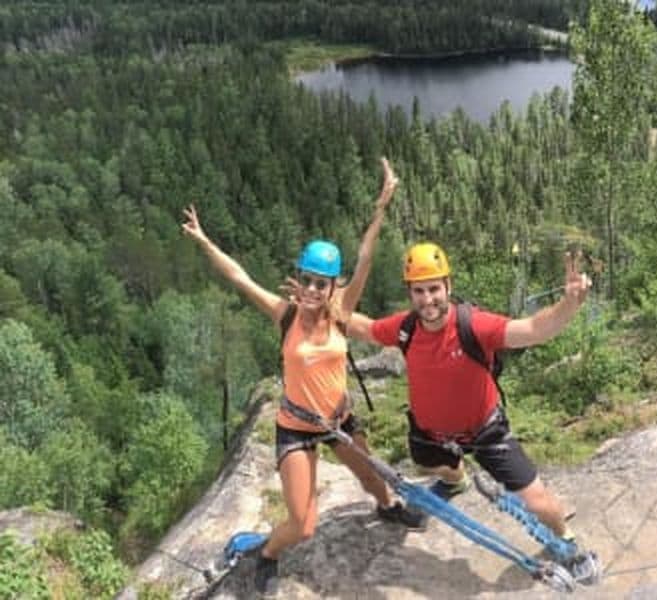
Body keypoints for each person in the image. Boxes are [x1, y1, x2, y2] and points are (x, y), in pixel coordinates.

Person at [181, 158, 425, 595]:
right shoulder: (285, 315)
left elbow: (366, 256)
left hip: (339, 423)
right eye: (307, 280)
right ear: (299, 279)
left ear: (334, 286)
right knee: (303, 524)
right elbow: (240, 278)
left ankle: (388, 508)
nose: (312, 290)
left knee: (374, 480)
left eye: (321, 283)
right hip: (295, 430)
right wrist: (204, 241)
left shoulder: (341, 315)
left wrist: (382, 206)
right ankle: (268, 554)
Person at [346, 242, 592, 539]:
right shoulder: (406, 328)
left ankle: (566, 539)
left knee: (538, 503)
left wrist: (569, 303)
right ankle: (455, 480)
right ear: (409, 293)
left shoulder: (473, 325)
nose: (428, 299)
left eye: (434, 289)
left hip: (485, 431)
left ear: (448, 286)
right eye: (419, 291)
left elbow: (534, 330)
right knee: (426, 463)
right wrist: (324, 307)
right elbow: (364, 328)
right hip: (432, 435)